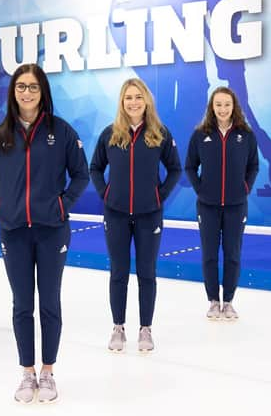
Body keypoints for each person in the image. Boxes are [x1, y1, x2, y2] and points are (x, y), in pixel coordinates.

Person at [0, 63, 89, 404]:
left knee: (49, 303)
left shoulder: (61, 131)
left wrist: (62, 206)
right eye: (20, 87)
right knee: (22, 304)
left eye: (32, 87)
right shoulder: (1, 136)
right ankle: (27, 373)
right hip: (13, 231)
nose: (26, 92)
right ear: (13, 92)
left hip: (51, 230)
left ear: (43, 92)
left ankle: (48, 372)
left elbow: (81, 174)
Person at [90, 78, 181, 353]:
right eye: (128, 97)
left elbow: (175, 169)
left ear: (146, 101)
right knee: (118, 273)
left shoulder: (159, 133)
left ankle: (145, 329)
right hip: (116, 214)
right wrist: (107, 194)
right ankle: (118, 327)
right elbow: (95, 168)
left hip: (149, 215)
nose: (133, 102)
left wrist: (158, 196)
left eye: (138, 97)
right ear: (122, 102)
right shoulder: (110, 134)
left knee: (146, 273)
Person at [185, 87, 259, 320]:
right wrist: (201, 189)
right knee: (209, 254)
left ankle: (228, 301)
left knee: (232, 253)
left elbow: (253, 166)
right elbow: (189, 166)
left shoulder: (245, 134)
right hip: (207, 206)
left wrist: (244, 189)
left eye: (227, 104)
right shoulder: (200, 135)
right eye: (218, 104)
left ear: (234, 106)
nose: (223, 109)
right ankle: (213, 301)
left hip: (236, 205)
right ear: (212, 107)